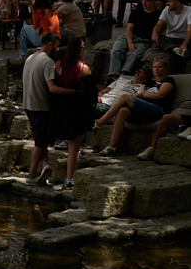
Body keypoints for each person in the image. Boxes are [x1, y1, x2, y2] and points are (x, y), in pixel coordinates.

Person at [95, 56, 177, 157]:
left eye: (159, 67)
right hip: (144, 111)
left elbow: (160, 95)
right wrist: (138, 96)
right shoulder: (150, 84)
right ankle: (112, 146)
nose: (156, 69)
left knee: (125, 97)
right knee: (123, 111)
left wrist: (142, 96)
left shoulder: (168, 80)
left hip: (157, 110)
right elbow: (138, 95)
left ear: (165, 69)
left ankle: (100, 122)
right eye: (154, 67)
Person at [49, 37, 96, 190]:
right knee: (75, 147)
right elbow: (90, 94)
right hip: (78, 111)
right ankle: (70, 179)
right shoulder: (84, 69)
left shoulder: (58, 65)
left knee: (70, 144)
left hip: (62, 110)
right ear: (81, 50)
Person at [23, 32, 61, 186]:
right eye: (57, 46)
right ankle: (32, 173)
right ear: (50, 44)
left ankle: (45, 165)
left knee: (41, 137)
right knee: (40, 141)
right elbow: (52, 88)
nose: (58, 50)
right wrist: (75, 92)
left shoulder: (31, 57)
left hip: (28, 104)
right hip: (41, 106)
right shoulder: (48, 62)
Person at [107, 0, 161, 83]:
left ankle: (124, 73)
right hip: (131, 36)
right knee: (116, 50)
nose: (144, 3)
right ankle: (113, 75)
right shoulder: (136, 12)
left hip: (143, 40)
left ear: (154, 2)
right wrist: (130, 42)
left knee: (134, 54)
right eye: (143, 0)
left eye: (147, 1)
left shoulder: (158, 15)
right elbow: (129, 30)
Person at [153, 0, 191, 71]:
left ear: (177, 2)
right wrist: (155, 32)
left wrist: (184, 44)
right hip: (170, 39)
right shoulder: (167, 9)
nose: (167, 4)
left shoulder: (189, 11)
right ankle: (174, 49)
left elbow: (190, 31)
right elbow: (158, 25)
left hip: (183, 39)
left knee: (173, 57)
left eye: (170, 1)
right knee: (157, 36)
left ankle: (174, 50)